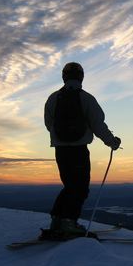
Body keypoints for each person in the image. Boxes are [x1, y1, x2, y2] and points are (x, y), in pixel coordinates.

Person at [43, 62, 121, 238]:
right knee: (80, 188)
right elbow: (98, 125)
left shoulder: (53, 98)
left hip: (61, 150)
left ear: (64, 77)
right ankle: (69, 223)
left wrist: (61, 137)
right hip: (79, 149)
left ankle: (57, 220)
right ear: (81, 77)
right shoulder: (87, 99)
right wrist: (112, 142)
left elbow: (49, 124)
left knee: (70, 185)